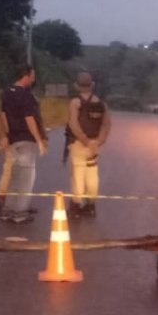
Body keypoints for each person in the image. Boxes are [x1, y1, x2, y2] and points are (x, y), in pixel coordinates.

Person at [0, 65, 46, 223]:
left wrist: (7, 134)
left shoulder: (6, 93)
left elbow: (3, 115)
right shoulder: (25, 95)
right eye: (32, 76)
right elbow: (29, 118)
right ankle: (20, 213)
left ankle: (8, 211)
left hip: (13, 140)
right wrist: (39, 140)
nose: (33, 79)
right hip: (26, 140)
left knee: (15, 176)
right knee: (26, 178)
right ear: (26, 76)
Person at [65, 71, 111, 217]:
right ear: (92, 85)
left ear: (76, 86)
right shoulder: (101, 103)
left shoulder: (76, 102)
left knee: (78, 174)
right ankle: (91, 206)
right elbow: (106, 125)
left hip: (79, 144)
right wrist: (97, 142)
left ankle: (76, 205)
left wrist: (84, 140)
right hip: (94, 146)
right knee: (92, 175)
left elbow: (73, 124)